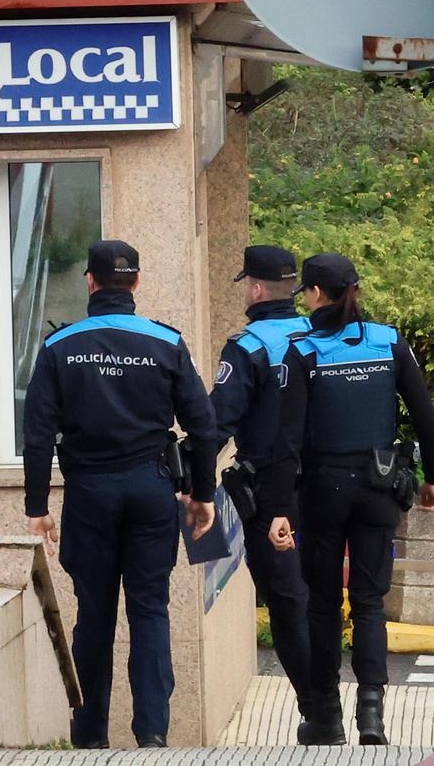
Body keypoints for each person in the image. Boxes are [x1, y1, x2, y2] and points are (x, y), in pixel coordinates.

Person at [24, 239, 218, 750]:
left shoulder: (59, 346)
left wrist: (37, 507)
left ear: (89, 281)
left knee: (94, 613)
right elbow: (203, 426)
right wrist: (203, 493)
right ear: (136, 282)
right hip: (151, 489)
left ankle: (89, 737)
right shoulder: (166, 342)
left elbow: (38, 434)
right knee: (150, 608)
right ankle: (152, 733)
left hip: (90, 493)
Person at [265, 253, 434, 746]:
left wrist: (279, 509)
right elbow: (424, 413)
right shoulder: (389, 341)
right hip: (380, 489)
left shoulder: (303, 351)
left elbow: (287, 439)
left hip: (323, 492)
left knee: (322, 604)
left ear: (316, 293)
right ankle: (372, 716)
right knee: (369, 602)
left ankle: (327, 719)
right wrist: (431, 478)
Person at [208, 245, 313, 731]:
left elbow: (218, 423)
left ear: (254, 289)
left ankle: (319, 711)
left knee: (287, 601)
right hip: (331, 487)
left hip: (272, 497)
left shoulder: (248, 347)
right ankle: (353, 704)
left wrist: (193, 484)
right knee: (324, 596)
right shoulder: (321, 334)